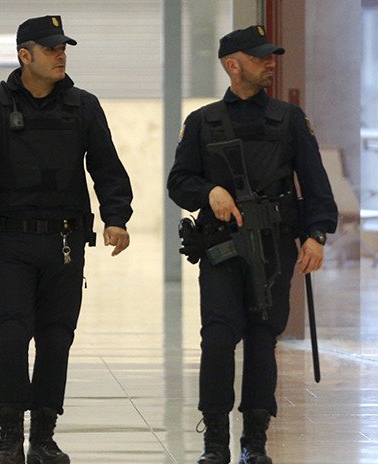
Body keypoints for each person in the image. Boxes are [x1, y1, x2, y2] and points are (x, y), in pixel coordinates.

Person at [0, 15, 133, 464]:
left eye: (63, 48)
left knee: (56, 339)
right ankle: (10, 436)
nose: (60, 55)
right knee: (12, 336)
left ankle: (44, 437)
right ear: (24, 55)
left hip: (65, 244)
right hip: (11, 242)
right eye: (51, 48)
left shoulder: (83, 106)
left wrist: (116, 217)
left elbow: (108, 168)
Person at [167, 25, 338, 464]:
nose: (269, 63)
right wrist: (209, 192)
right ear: (232, 65)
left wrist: (316, 236)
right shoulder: (202, 121)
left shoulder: (289, 119)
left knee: (262, 340)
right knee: (217, 338)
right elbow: (179, 182)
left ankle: (255, 441)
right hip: (221, 248)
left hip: (274, 247)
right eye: (260, 56)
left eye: (270, 56)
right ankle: (215, 441)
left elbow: (316, 185)